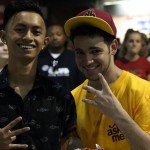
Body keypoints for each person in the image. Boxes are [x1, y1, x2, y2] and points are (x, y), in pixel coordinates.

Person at [64, 8, 150, 150]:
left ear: (113, 47)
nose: (87, 61)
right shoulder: (74, 97)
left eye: (95, 51)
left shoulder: (143, 91)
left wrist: (117, 115)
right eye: (80, 53)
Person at [0, 0, 76, 149]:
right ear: (3, 37)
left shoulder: (61, 97)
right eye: (20, 29)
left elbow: (70, 143)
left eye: (36, 32)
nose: (28, 37)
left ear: (44, 42)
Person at [38, 24, 85, 91]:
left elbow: (82, 83)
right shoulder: (38, 58)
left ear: (65, 37)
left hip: (70, 100)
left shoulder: (75, 57)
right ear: (46, 38)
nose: (55, 37)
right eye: (51, 35)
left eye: (58, 34)